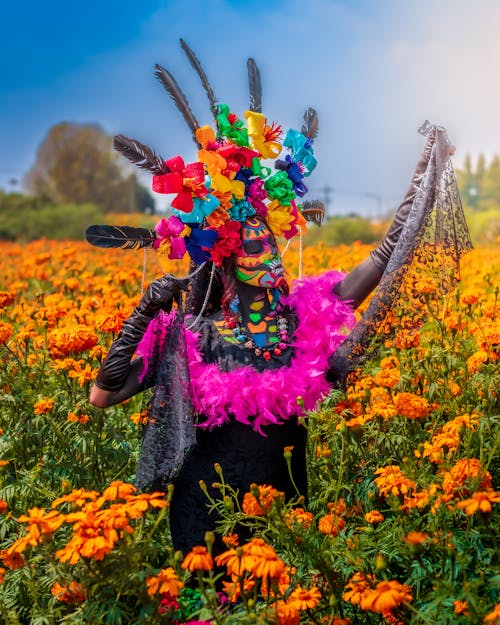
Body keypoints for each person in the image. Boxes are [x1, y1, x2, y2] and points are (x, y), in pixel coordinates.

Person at [87, 45, 471, 555]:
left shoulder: (302, 318)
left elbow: (382, 259)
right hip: (206, 512)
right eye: (252, 241)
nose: (267, 249)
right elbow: (104, 394)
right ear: (226, 255)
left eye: (269, 239)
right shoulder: (193, 334)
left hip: (282, 508)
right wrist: (145, 312)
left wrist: (422, 178)